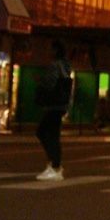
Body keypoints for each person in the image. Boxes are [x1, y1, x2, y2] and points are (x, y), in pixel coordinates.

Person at [35, 40, 74, 181]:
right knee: (53, 135)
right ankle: (55, 166)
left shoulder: (55, 65)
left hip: (53, 105)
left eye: (50, 49)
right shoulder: (66, 65)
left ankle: (54, 166)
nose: (48, 52)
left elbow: (50, 83)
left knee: (43, 132)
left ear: (55, 50)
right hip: (61, 105)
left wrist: (40, 81)